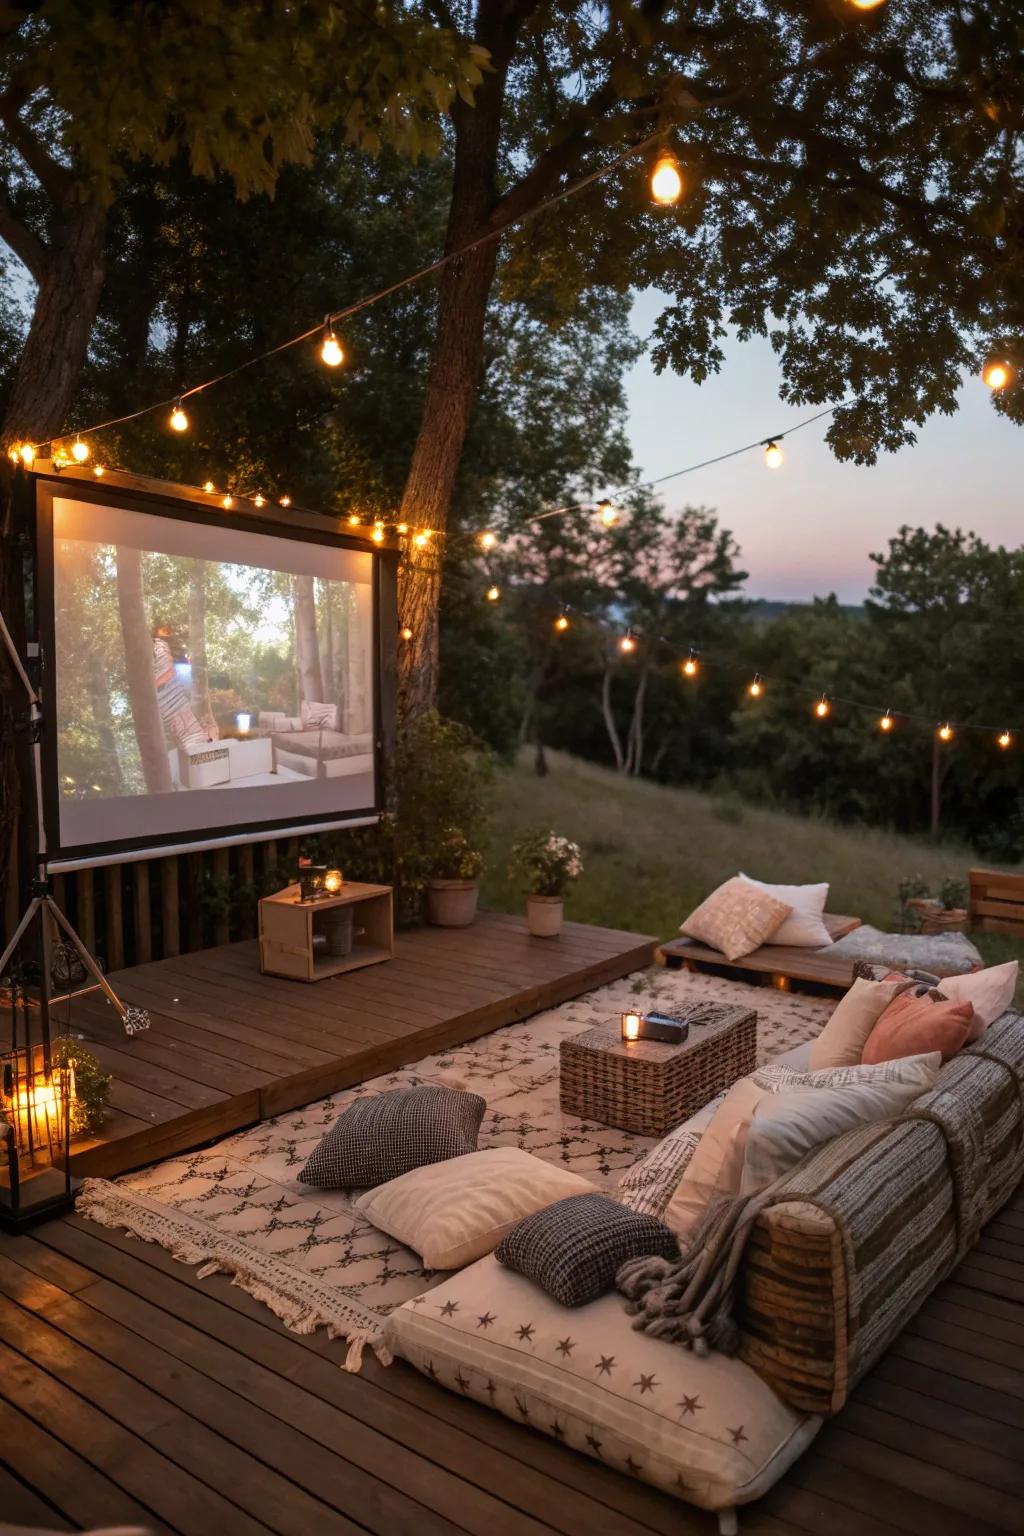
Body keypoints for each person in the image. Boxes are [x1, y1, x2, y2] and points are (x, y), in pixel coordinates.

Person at [152, 625, 216, 747]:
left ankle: (205, 745)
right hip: (171, 708)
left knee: (193, 738)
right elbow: (169, 672)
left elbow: (169, 672)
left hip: (176, 707)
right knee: (191, 738)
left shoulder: (160, 646)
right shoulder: (159, 646)